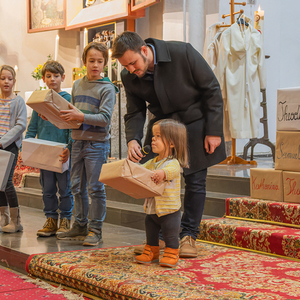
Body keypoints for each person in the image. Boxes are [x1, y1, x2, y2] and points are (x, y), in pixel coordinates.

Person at [112, 31, 226, 258]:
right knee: (154, 180)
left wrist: (213, 131)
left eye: (133, 63)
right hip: (161, 128)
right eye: (126, 67)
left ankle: (188, 236)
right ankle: (163, 237)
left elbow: (211, 89)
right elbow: (135, 111)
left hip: (195, 123)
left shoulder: (181, 52)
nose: (132, 71)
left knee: (194, 182)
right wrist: (133, 139)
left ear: (144, 50)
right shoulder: (129, 75)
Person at [56, 42, 118, 246]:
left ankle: (95, 229)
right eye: (91, 61)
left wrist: (80, 116)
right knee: (76, 187)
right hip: (76, 143)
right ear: (84, 62)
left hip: (96, 145)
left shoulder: (108, 88)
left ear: (105, 64)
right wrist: (66, 138)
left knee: (95, 188)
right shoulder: (77, 85)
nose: (95, 65)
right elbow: (71, 117)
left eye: (100, 61)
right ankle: (79, 225)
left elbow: (104, 119)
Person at [22, 60, 74, 237]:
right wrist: (27, 145)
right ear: (44, 78)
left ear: (63, 78)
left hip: (62, 152)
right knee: (48, 188)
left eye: (56, 76)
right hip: (45, 151)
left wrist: (69, 147)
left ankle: (65, 219)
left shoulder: (67, 100)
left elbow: (71, 127)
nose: (53, 79)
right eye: (49, 76)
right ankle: (51, 219)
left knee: (65, 188)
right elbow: (33, 127)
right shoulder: (40, 100)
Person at [136, 119, 188, 268]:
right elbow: (142, 170)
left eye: (158, 136)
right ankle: (151, 251)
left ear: (171, 143)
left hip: (169, 211)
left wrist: (162, 173)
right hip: (152, 209)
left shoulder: (173, 162)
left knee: (170, 234)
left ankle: (172, 252)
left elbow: (172, 171)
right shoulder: (152, 162)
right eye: (153, 135)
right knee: (150, 230)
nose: (153, 138)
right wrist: (133, 167)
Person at [0, 65, 27, 233]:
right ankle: (3, 217)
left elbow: (21, 124)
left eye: (9, 79)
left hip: (9, 145)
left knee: (7, 182)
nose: (6, 81)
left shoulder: (18, 101)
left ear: (14, 82)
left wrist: (3, 141)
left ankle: (16, 220)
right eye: (3, 78)